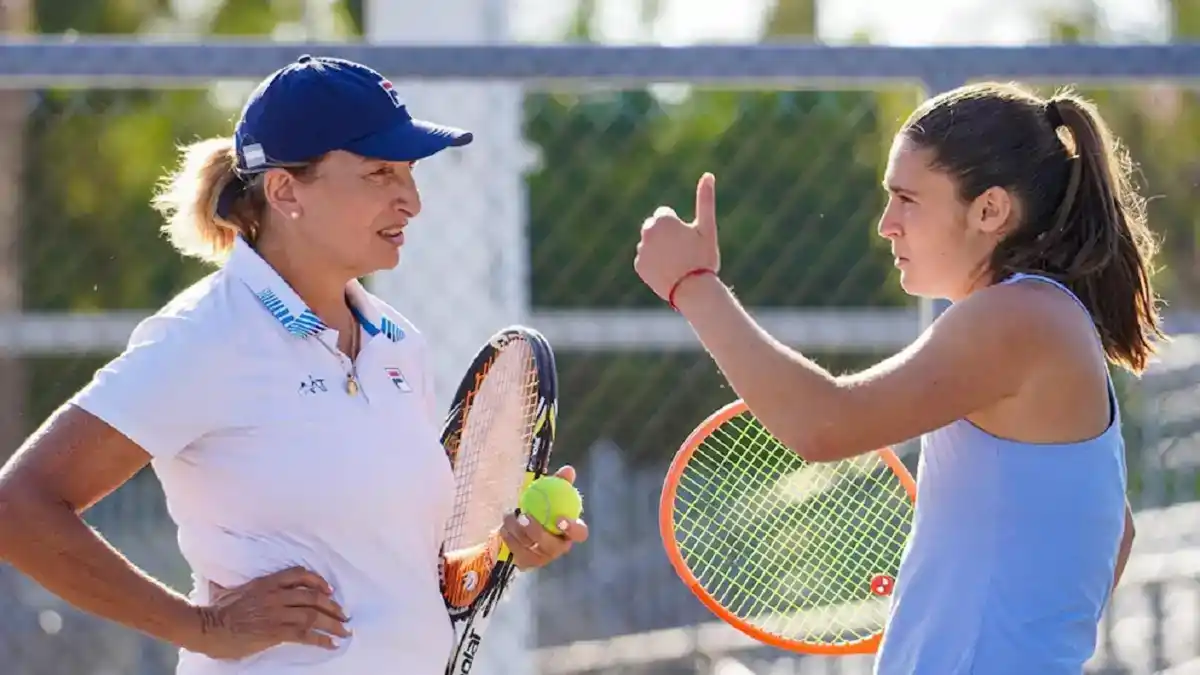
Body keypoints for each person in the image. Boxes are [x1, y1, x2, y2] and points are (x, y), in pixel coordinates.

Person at [0, 54, 588, 674]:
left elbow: (397, 567)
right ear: (284, 192)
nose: (411, 201)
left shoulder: (399, 344)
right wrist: (201, 628)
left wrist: (505, 548)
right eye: (379, 173)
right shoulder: (203, 337)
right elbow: (19, 507)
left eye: (409, 172)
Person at [634, 82, 1151, 674]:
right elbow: (1116, 532)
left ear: (989, 210)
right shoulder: (1039, 317)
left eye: (907, 199)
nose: (886, 224)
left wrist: (693, 285)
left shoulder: (1019, 316)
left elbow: (824, 424)